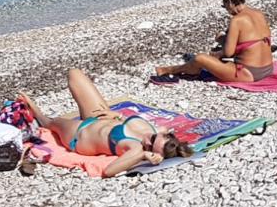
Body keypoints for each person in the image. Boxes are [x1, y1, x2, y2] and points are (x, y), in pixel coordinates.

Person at [18, 69, 192, 178]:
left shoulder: (136, 149)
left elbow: (109, 171)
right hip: (101, 118)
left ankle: (37, 113)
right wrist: (117, 115)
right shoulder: (155, 129)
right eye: (153, 139)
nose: (148, 142)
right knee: (75, 73)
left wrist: (143, 156)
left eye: (150, 147)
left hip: (79, 135)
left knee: (51, 123)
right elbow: (163, 129)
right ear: (163, 134)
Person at [154, 0, 275, 83]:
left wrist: (220, 42)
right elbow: (249, 41)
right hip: (268, 69)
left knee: (200, 58)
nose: (226, 9)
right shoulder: (259, 14)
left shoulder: (237, 20)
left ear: (230, 2)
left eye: (225, 5)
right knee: (213, 58)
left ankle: (168, 70)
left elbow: (228, 53)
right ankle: (190, 69)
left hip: (249, 74)